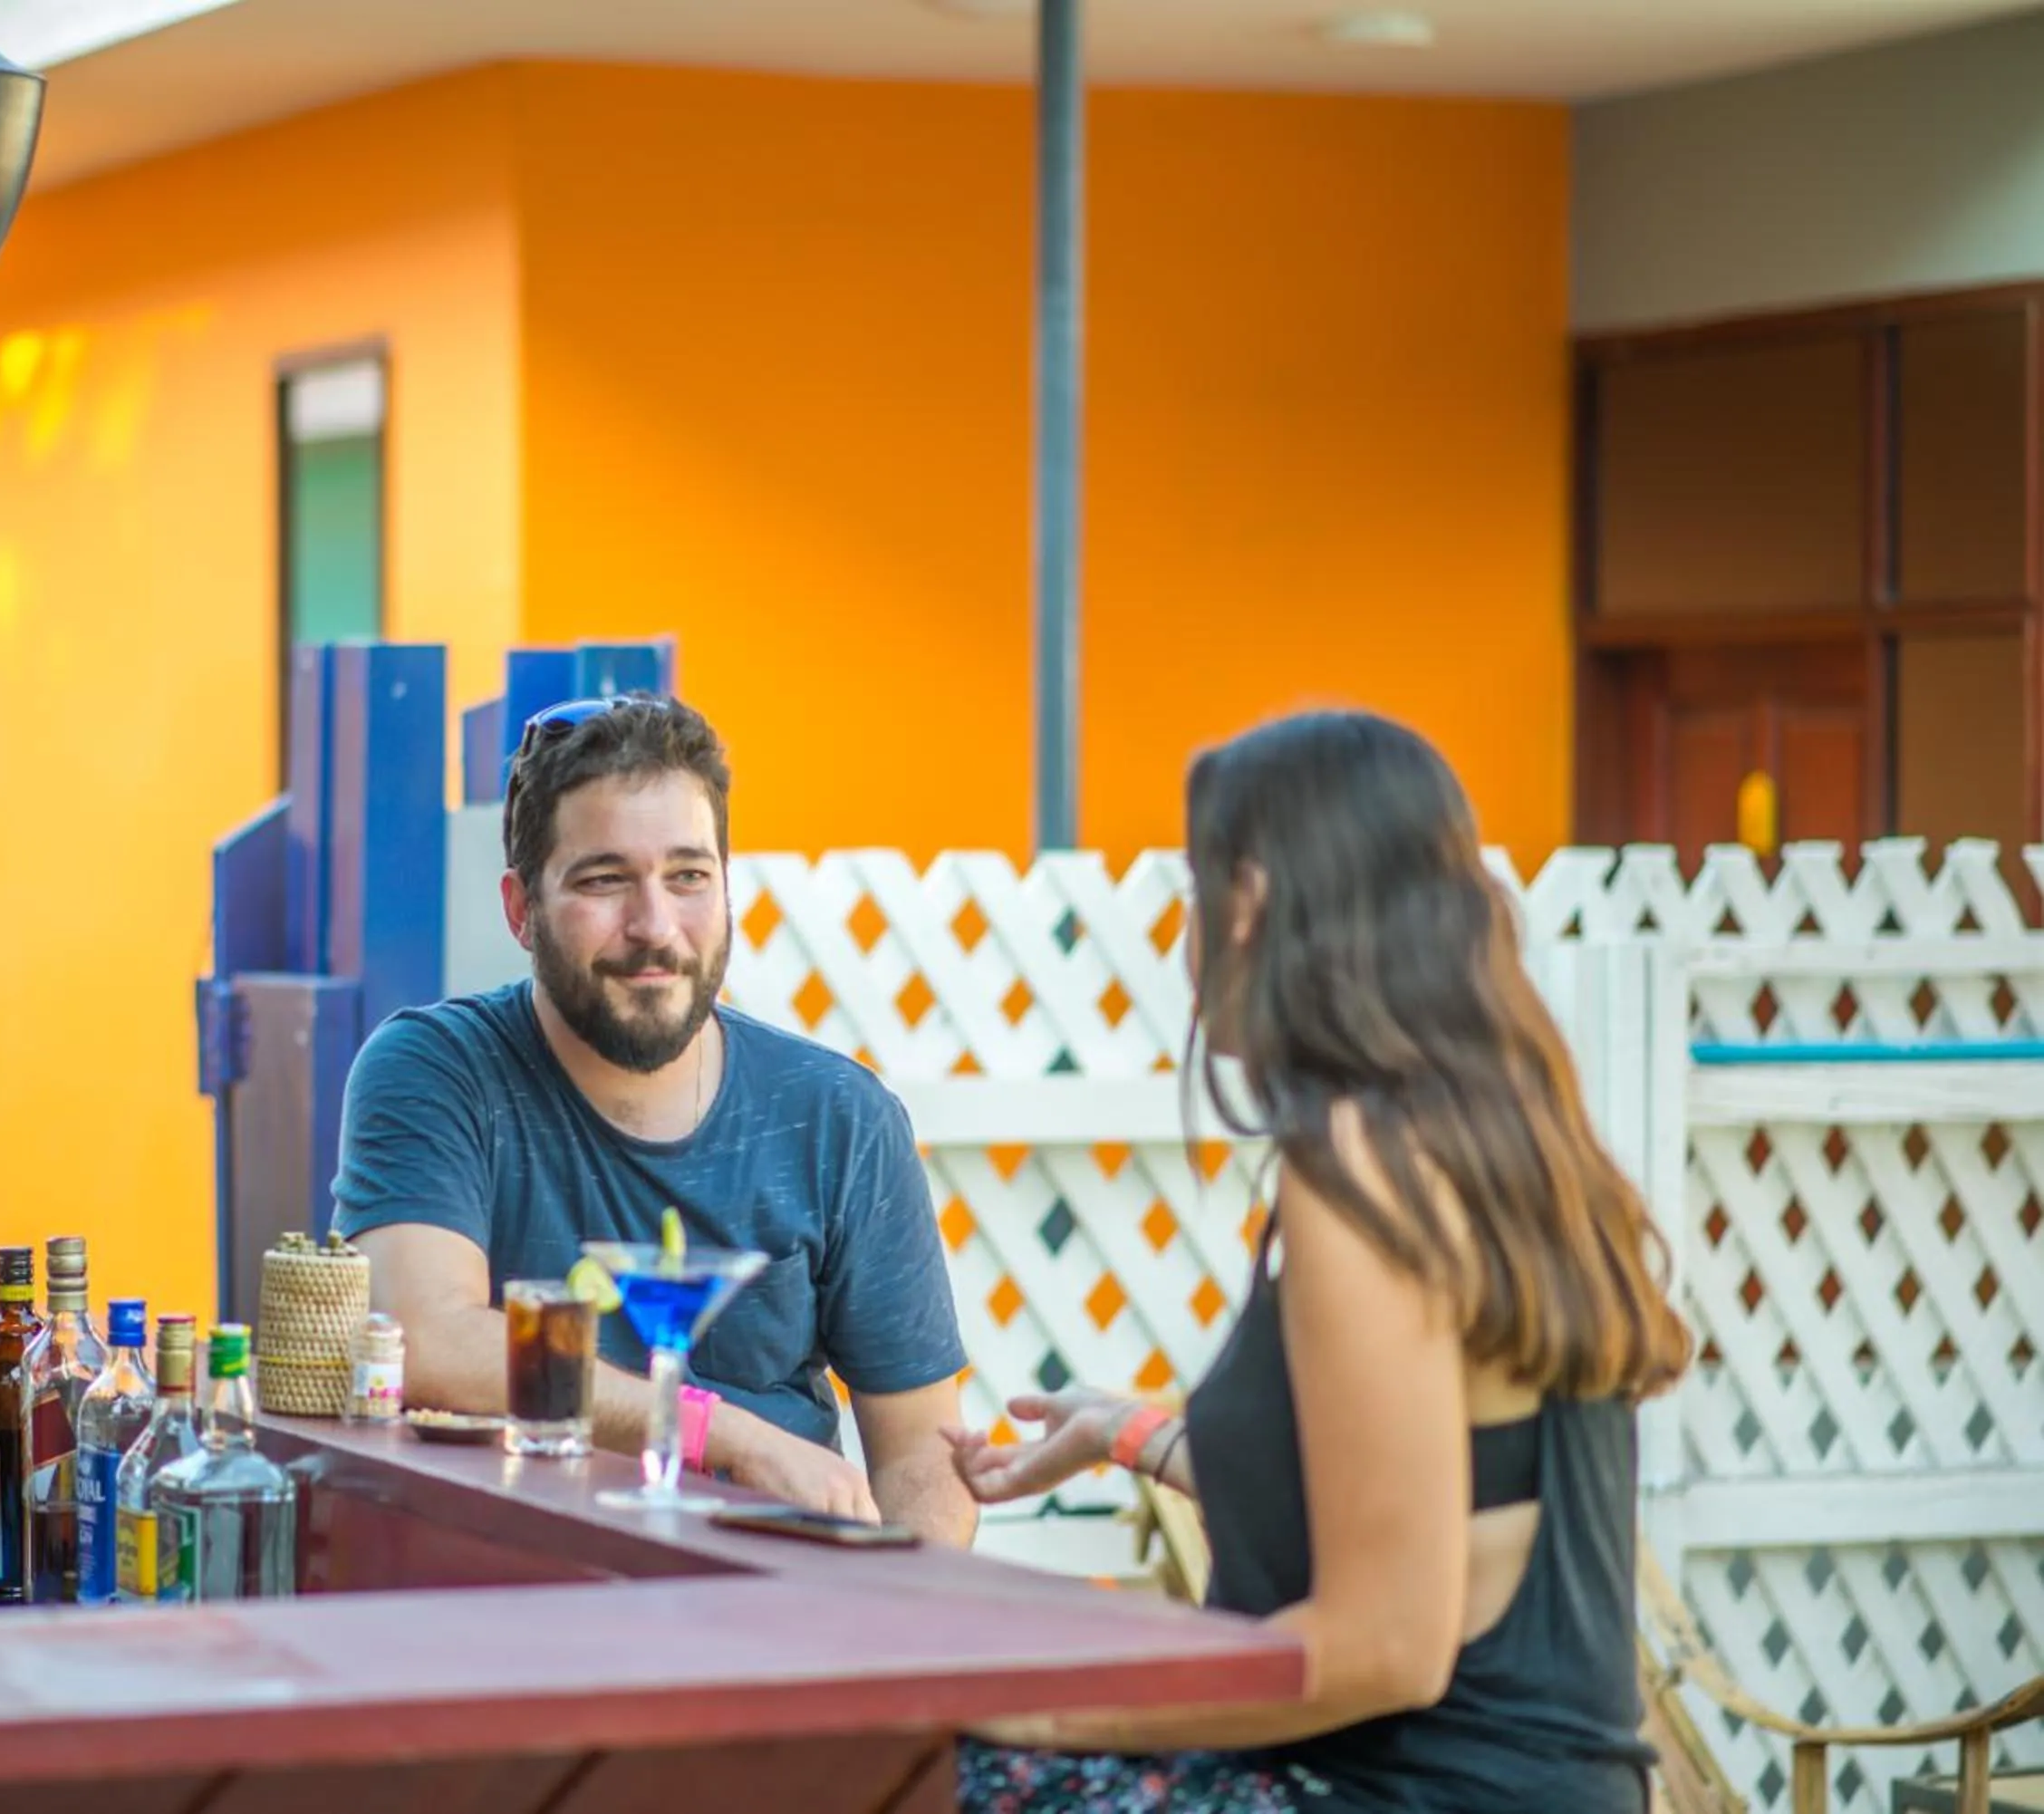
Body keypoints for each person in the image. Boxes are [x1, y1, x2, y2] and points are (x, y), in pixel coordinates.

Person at [948, 709, 1691, 1813]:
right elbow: (1402, 1495)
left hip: (1403, 1793)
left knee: (911, 1767)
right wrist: (1125, 1433)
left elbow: (1384, 1644)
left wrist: (1051, 1704)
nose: (1189, 938)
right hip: (1545, 1790)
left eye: (1196, 895)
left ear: (1249, 900)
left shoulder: (1357, 1167)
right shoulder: (1497, 1141)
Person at [331, 692, 978, 1545]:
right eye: (604, 880)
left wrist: (899, 1625)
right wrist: (720, 1436)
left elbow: (924, 1459)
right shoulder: (437, 1070)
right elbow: (427, 1339)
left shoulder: (841, 1120)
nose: (655, 926)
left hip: (775, 1607)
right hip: (513, 1600)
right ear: (521, 909)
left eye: (688, 876)